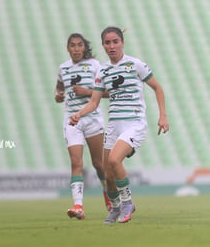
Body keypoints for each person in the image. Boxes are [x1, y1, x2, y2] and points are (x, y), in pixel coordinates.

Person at [70, 26, 169, 224]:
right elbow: (94, 102)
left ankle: (127, 202)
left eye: (115, 41)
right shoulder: (102, 70)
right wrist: (79, 114)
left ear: (122, 42)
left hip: (134, 123)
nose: (112, 46)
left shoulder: (135, 64)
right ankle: (115, 209)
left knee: (115, 161)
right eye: (107, 42)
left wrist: (163, 116)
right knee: (108, 175)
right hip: (114, 125)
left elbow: (157, 87)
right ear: (103, 45)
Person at [55, 33, 111, 220]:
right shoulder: (63, 68)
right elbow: (60, 87)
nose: (77, 49)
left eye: (80, 45)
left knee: (99, 164)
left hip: (93, 119)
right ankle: (78, 206)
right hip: (72, 120)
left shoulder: (95, 66)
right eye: (73, 45)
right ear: (68, 48)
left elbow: (108, 92)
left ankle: (108, 196)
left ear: (84, 48)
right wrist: (58, 94)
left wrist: (87, 92)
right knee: (76, 163)